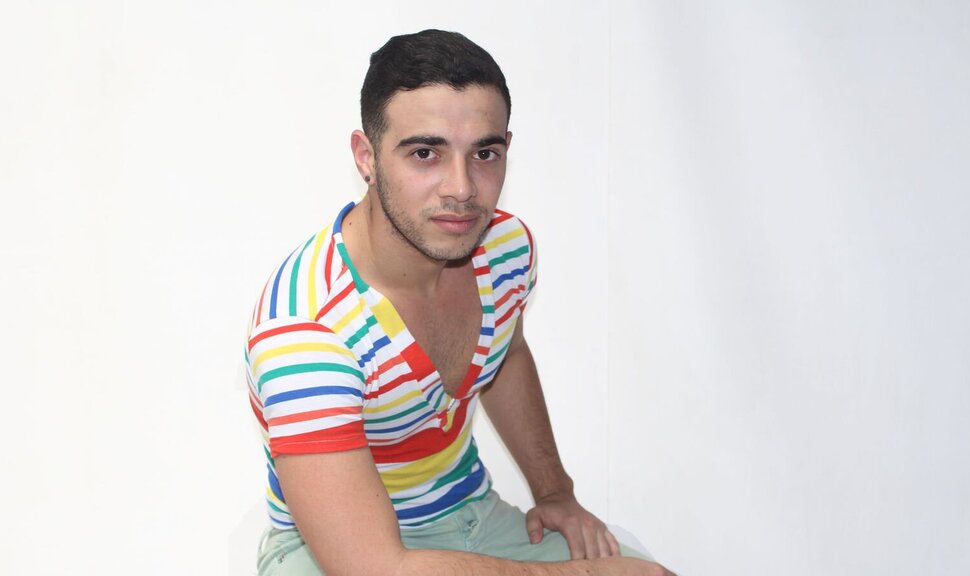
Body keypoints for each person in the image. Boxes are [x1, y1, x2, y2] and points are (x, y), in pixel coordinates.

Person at [245, 29, 675, 576]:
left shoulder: (504, 247)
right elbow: (375, 568)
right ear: (366, 156)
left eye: (484, 154)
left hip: (469, 514)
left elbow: (507, 354)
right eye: (425, 153)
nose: (462, 188)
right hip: (332, 551)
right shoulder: (305, 329)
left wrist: (555, 493)